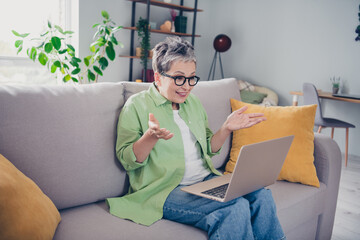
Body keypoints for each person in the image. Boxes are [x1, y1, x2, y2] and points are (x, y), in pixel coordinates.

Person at [106, 36, 285, 240]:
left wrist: (226, 128)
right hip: (164, 191)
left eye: (192, 78)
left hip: (204, 181)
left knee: (261, 195)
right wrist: (150, 137)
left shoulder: (193, 103)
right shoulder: (136, 105)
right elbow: (127, 161)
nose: (187, 86)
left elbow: (208, 147)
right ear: (158, 77)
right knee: (235, 207)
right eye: (179, 78)